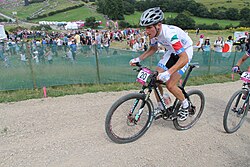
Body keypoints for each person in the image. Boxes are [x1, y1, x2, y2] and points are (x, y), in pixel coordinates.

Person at [129, 7, 193, 120]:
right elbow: (153, 49)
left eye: (149, 27)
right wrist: (138, 59)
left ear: (158, 25)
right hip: (172, 51)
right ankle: (161, 107)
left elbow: (184, 58)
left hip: (185, 52)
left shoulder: (170, 34)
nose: (147, 31)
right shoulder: (154, 34)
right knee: (155, 78)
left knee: (170, 85)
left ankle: (185, 106)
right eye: (145, 28)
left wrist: (168, 72)